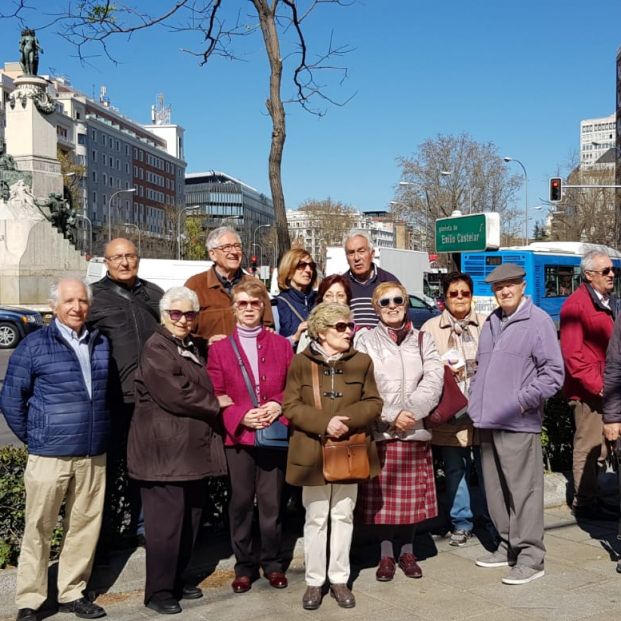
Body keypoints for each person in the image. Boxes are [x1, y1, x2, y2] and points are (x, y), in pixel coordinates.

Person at [1, 279, 110, 621]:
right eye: (69, 301)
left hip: (93, 454)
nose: (76, 307)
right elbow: (11, 399)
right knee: (39, 528)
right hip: (49, 455)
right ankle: (30, 600)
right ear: (55, 306)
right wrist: (36, 436)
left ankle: (71, 592)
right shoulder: (34, 345)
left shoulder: (101, 342)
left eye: (82, 301)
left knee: (84, 526)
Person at [127, 286, 228, 614]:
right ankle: (158, 591)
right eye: (176, 314)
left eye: (189, 314)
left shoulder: (188, 346)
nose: (183, 319)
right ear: (163, 315)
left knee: (190, 521)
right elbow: (177, 393)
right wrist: (216, 403)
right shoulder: (157, 347)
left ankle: (177, 578)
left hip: (189, 454)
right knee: (165, 528)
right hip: (163, 456)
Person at [468, 263, 564, 585]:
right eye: (498, 287)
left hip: (517, 422)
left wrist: (520, 401)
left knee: (524, 493)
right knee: (496, 492)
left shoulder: (537, 322)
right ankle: (508, 545)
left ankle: (531, 557)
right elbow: (483, 368)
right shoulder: (492, 321)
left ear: (523, 286)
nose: (504, 291)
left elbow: (553, 375)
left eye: (510, 285)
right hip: (487, 420)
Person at [283, 302, 382, 610]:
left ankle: (339, 579)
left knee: (342, 514)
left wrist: (345, 421)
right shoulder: (301, 362)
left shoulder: (362, 361)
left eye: (349, 325)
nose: (349, 331)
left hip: (351, 450)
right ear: (322, 331)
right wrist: (325, 422)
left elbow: (374, 402)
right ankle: (314, 582)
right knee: (315, 518)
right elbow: (291, 405)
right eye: (342, 327)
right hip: (311, 451)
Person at [207, 280, 294, 594]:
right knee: (241, 502)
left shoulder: (282, 346)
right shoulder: (218, 349)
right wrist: (241, 415)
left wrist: (276, 404)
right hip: (239, 437)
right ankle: (244, 566)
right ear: (234, 308)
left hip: (272, 434)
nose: (248, 309)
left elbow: (294, 388)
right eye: (242, 304)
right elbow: (215, 394)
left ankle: (272, 562)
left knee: (271, 503)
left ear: (263, 308)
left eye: (254, 304)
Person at [356, 282, 443, 582]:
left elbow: (434, 379)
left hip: (415, 430)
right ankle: (385, 556)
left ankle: (408, 551)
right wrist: (392, 415)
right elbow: (361, 384)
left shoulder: (424, 339)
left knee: (410, 502)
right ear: (376, 307)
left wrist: (413, 413)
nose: (392, 306)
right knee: (383, 503)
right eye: (384, 302)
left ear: (406, 303)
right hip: (382, 430)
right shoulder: (365, 341)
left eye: (397, 300)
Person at [88, 238, 163, 546]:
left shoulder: (154, 293)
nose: (124, 262)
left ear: (138, 259)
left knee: (147, 466)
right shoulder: (94, 297)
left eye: (129, 256)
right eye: (116, 257)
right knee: (106, 470)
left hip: (152, 398)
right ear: (106, 263)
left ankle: (143, 528)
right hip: (112, 398)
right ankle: (105, 535)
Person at [422, 272, 491, 546]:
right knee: (455, 469)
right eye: (454, 294)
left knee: (488, 469)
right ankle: (461, 522)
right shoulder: (430, 329)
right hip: (451, 412)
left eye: (465, 293)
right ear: (445, 298)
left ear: (471, 295)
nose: (460, 298)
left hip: (483, 410)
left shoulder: (486, 325)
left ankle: (491, 516)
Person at [560, 250, 617, 519]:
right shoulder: (576, 306)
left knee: (603, 448)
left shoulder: (609, 302)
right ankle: (584, 503)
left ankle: (592, 496)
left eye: (613, 269)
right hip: (589, 392)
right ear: (589, 275)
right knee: (589, 445)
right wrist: (600, 386)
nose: (612, 274)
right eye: (605, 271)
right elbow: (573, 356)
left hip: (609, 388)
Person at [185, 226, 274, 343]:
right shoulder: (195, 285)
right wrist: (205, 343)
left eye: (237, 246)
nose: (234, 252)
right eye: (226, 247)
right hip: (210, 358)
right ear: (213, 254)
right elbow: (182, 329)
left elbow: (269, 327)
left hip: (249, 359)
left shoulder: (255, 285)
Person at [343, 231, 400, 329]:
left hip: (383, 343)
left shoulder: (388, 281)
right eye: (351, 253)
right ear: (346, 257)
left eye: (361, 251)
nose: (356, 258)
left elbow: (403, 318)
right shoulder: (341, 285)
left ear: (372, 253)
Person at [275, 248, 318, 348]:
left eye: (311, 266)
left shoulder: (319, 300)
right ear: (288, 271)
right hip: (292, 361)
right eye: (301, 265)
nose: (308, 270)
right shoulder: (278, 304)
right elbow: (273, 346)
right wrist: (295, 337)